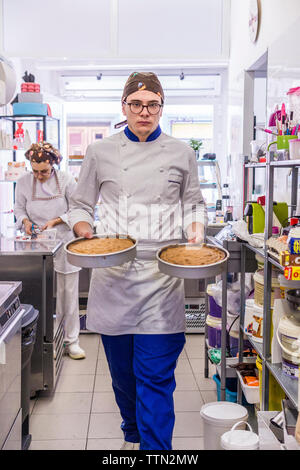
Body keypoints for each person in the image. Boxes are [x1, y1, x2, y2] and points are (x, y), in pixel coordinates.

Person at [68, 72, 207, 450]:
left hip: (162, 276)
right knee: (124, 377)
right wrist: (83, 226)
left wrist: (195, 229)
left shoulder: (182, 152)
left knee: (155, 376)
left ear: (162, 107)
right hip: (113, 272)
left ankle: (155, 449)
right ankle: (133, 429)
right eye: (136, 104)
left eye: (153, 104)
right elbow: (80, 202)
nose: (144, 112)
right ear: (124, 107)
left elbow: (193, 202)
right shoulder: (100, 152)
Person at [14, 141, 86, 360]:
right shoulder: (23, 182)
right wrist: (25, 221)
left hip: (64, 241)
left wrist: (55, 221)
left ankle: (71, 341)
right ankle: (40, 342)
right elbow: (18, 208)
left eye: (44, 171)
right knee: (37, 291)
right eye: (35, 171)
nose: (39, 176)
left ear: (53, 165)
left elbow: (77, 209)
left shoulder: (65, 180)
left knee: (68, 294)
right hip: (36, 244)